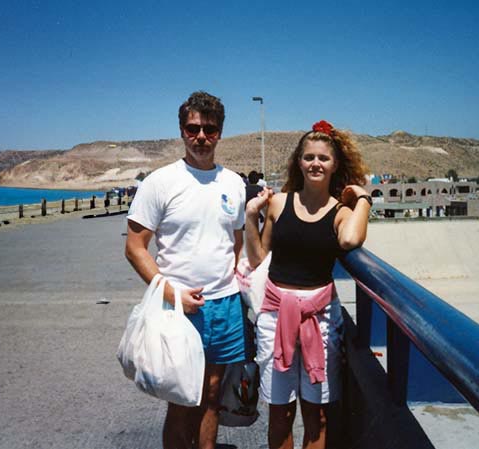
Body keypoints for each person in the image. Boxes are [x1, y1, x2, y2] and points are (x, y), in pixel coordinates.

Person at [125, 91, 250, 449]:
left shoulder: (233, 183)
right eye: (193, 129)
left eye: (209, 129)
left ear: (220, 132)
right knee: (182, 398)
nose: (201, 137)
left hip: (225, 305)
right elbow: (135, 247)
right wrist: (171, 293)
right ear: (182, 131)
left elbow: (235, 242)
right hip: (179, 308)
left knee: (213, 394)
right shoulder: (160, 182)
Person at [245, 120, 371, 449]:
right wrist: (251, 216)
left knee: (317, 418)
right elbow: (258, 259)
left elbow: (350, 238)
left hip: (321, 318)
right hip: (275, 317)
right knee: (280, 414)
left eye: (323, 158)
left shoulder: (340, 212)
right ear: (299, 162)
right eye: (309, 157)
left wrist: (363, 199)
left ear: (335, 164)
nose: (316, 163)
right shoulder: (278, 203)